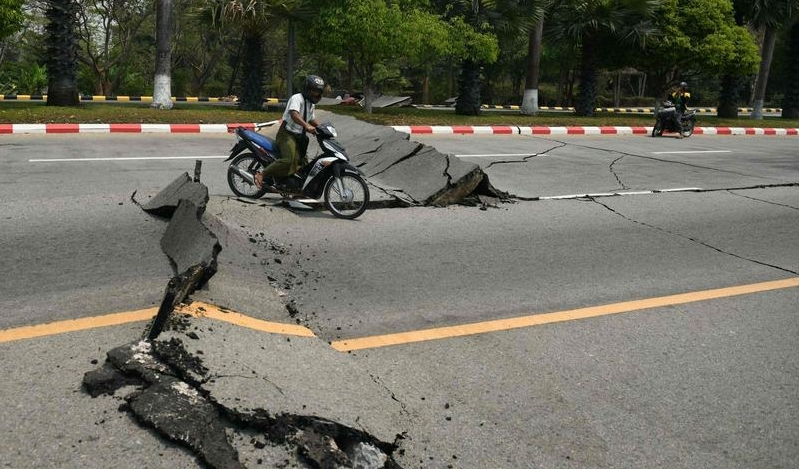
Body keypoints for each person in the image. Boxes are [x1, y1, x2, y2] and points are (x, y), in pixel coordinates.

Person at [254, 75, 325, 190]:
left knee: (303, 163)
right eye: (313, 90)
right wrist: (307, 126)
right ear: (307, 89)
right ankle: (262, 174)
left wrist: (322, 128)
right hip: (286, 134)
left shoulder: (311, 103)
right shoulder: (297, 98)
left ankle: (290, 184)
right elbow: (294, 114)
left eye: (318, 91)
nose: (315, 93)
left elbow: (311, 118)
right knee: (288, 160)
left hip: (299, 136)